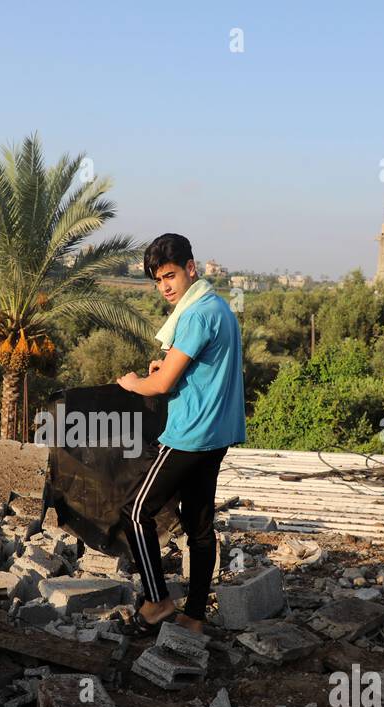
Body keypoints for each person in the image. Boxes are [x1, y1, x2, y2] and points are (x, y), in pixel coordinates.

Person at [115, 233, 246, 634]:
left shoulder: (194, 315)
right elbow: (196, 368)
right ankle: (194, 618)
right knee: (199, 525)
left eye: (170, 275)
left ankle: (157, 602)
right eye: (158, 280)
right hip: (218, 435)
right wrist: (167, 368)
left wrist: (134, 382)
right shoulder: (218, 308)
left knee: (135, 513)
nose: (165, 287)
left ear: (191, 268)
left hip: (190, 434)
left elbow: (161, 385)